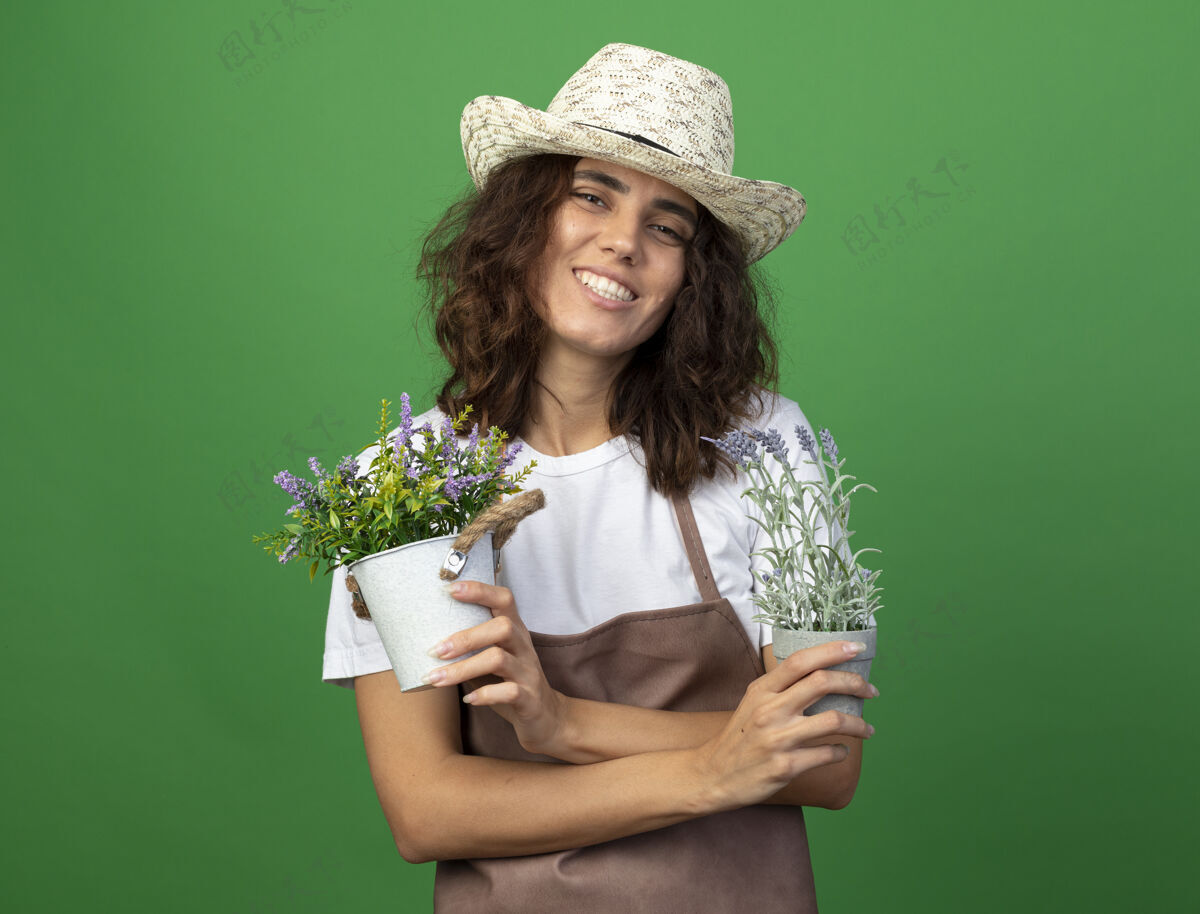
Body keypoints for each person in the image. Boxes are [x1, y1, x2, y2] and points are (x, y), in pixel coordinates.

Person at [322, 43, 877, 912]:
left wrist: (563, 724)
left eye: (668, 226)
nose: (623, 243)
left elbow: (828, 754)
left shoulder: (775, 446)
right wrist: (711, 768)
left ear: (695, 277)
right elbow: (426, 811)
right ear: (525, 218)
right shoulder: (402, 486)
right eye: (592, 194)